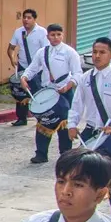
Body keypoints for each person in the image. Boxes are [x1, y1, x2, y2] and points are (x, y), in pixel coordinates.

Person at [68, 38, 111, 222]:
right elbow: (76, 105)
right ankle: (84, 221)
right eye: (94, 52)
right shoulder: (85, 78)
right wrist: (72, 125)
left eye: (102, 52)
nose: (97, 56)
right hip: (90, 134)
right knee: (85, 181)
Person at [21, 24, 81, 164]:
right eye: (53, 35)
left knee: (64, 123)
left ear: (62, 35)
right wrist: (24, 78)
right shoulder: (42, 52)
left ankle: (65, 153)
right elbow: (33, 68)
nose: (56, 37)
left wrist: (68, 86)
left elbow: (78, 73)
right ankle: (41, 154)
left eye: (58, 34)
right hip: (47, 92)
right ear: (47, 36)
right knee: (44, 122)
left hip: (64, 93)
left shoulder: (70, 52)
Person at [8, 9, 47, 127]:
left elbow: (46, 51)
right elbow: (11, 48)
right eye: (24, 17)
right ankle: (21, 118)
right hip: (23, 66)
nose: (26, 20)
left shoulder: (42, 32)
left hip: (37, 68)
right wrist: (12, 58)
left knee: (38, 93)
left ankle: (43, 119)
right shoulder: (18, 32)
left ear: (35, 19)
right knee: (20, 93)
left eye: (29, 18)